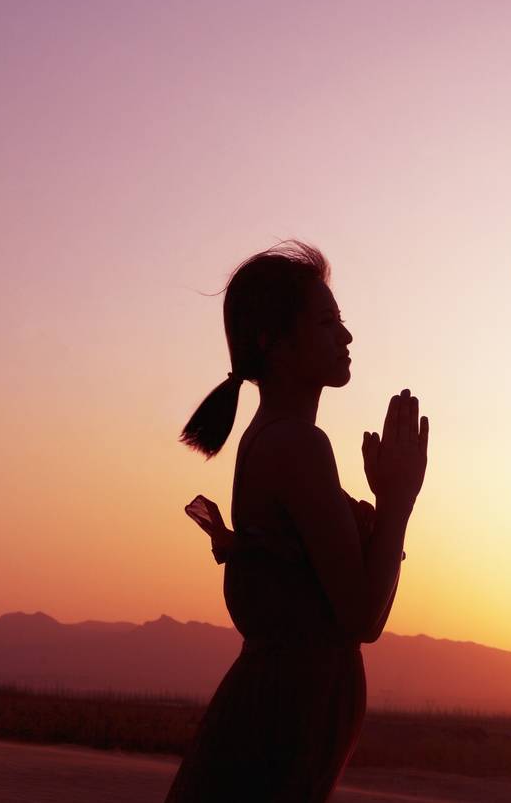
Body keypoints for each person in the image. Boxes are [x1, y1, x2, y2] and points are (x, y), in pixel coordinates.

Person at [165, 241, 428, 802]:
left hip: (282, 713)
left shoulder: (273, 437)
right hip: (284, 723)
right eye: (329, 322)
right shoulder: (297, 444)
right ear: (276, 344)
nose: (347, 337)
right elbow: (361, 616)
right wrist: (398, 503)